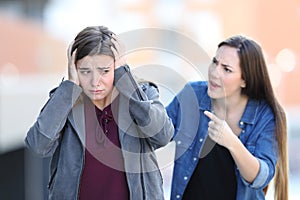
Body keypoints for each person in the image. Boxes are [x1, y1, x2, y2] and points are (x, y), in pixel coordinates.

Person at [25, 25, 174, 200]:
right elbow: (37, 145)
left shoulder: (142, 95)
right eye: (85, 71)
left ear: (118, 67)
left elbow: (163, 135)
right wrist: (70, 88)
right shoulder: (64, 101)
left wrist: (126, 81)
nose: (95, 81)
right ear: (74, 69)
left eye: (104, 71)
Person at [166, 35, 288, 200]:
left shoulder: (265, 116)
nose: (214, 73)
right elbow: (156, 133)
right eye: (215, 62)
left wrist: (231, 142)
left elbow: (261, 178)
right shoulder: (192, 95)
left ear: (244, 80)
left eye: (226, 69)